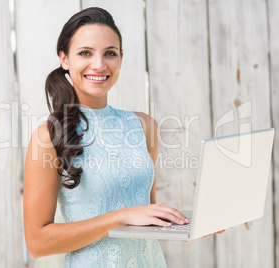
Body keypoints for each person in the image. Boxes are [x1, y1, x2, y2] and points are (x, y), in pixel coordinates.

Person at [23, 7, 223, 267]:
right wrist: (121, 217)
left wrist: (183, 227)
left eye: (110, 53)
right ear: (65, 59)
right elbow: (37, 243)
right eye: (85, 53)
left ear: (121, 58)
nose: (99, 64)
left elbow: (144, 214)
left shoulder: (143, 126)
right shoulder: (48, 137)